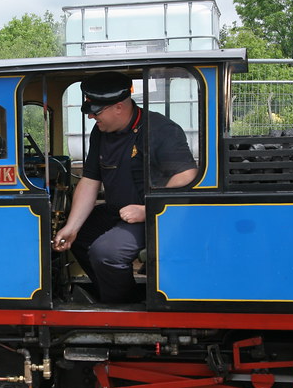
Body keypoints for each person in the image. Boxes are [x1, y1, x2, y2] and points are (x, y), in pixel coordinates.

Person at [51, 71, 197, 303]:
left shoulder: (160, 130)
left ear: (119, 107)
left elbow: (186, 175)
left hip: (153, 216)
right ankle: (110, 293)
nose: (91, 118)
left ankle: (122, 307)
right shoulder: (101, 132)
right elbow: (90, 180)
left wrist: (148, 209)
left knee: (107, 253)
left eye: (96, 112)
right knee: (78, 238)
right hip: (117, 211)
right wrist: (71, 226)